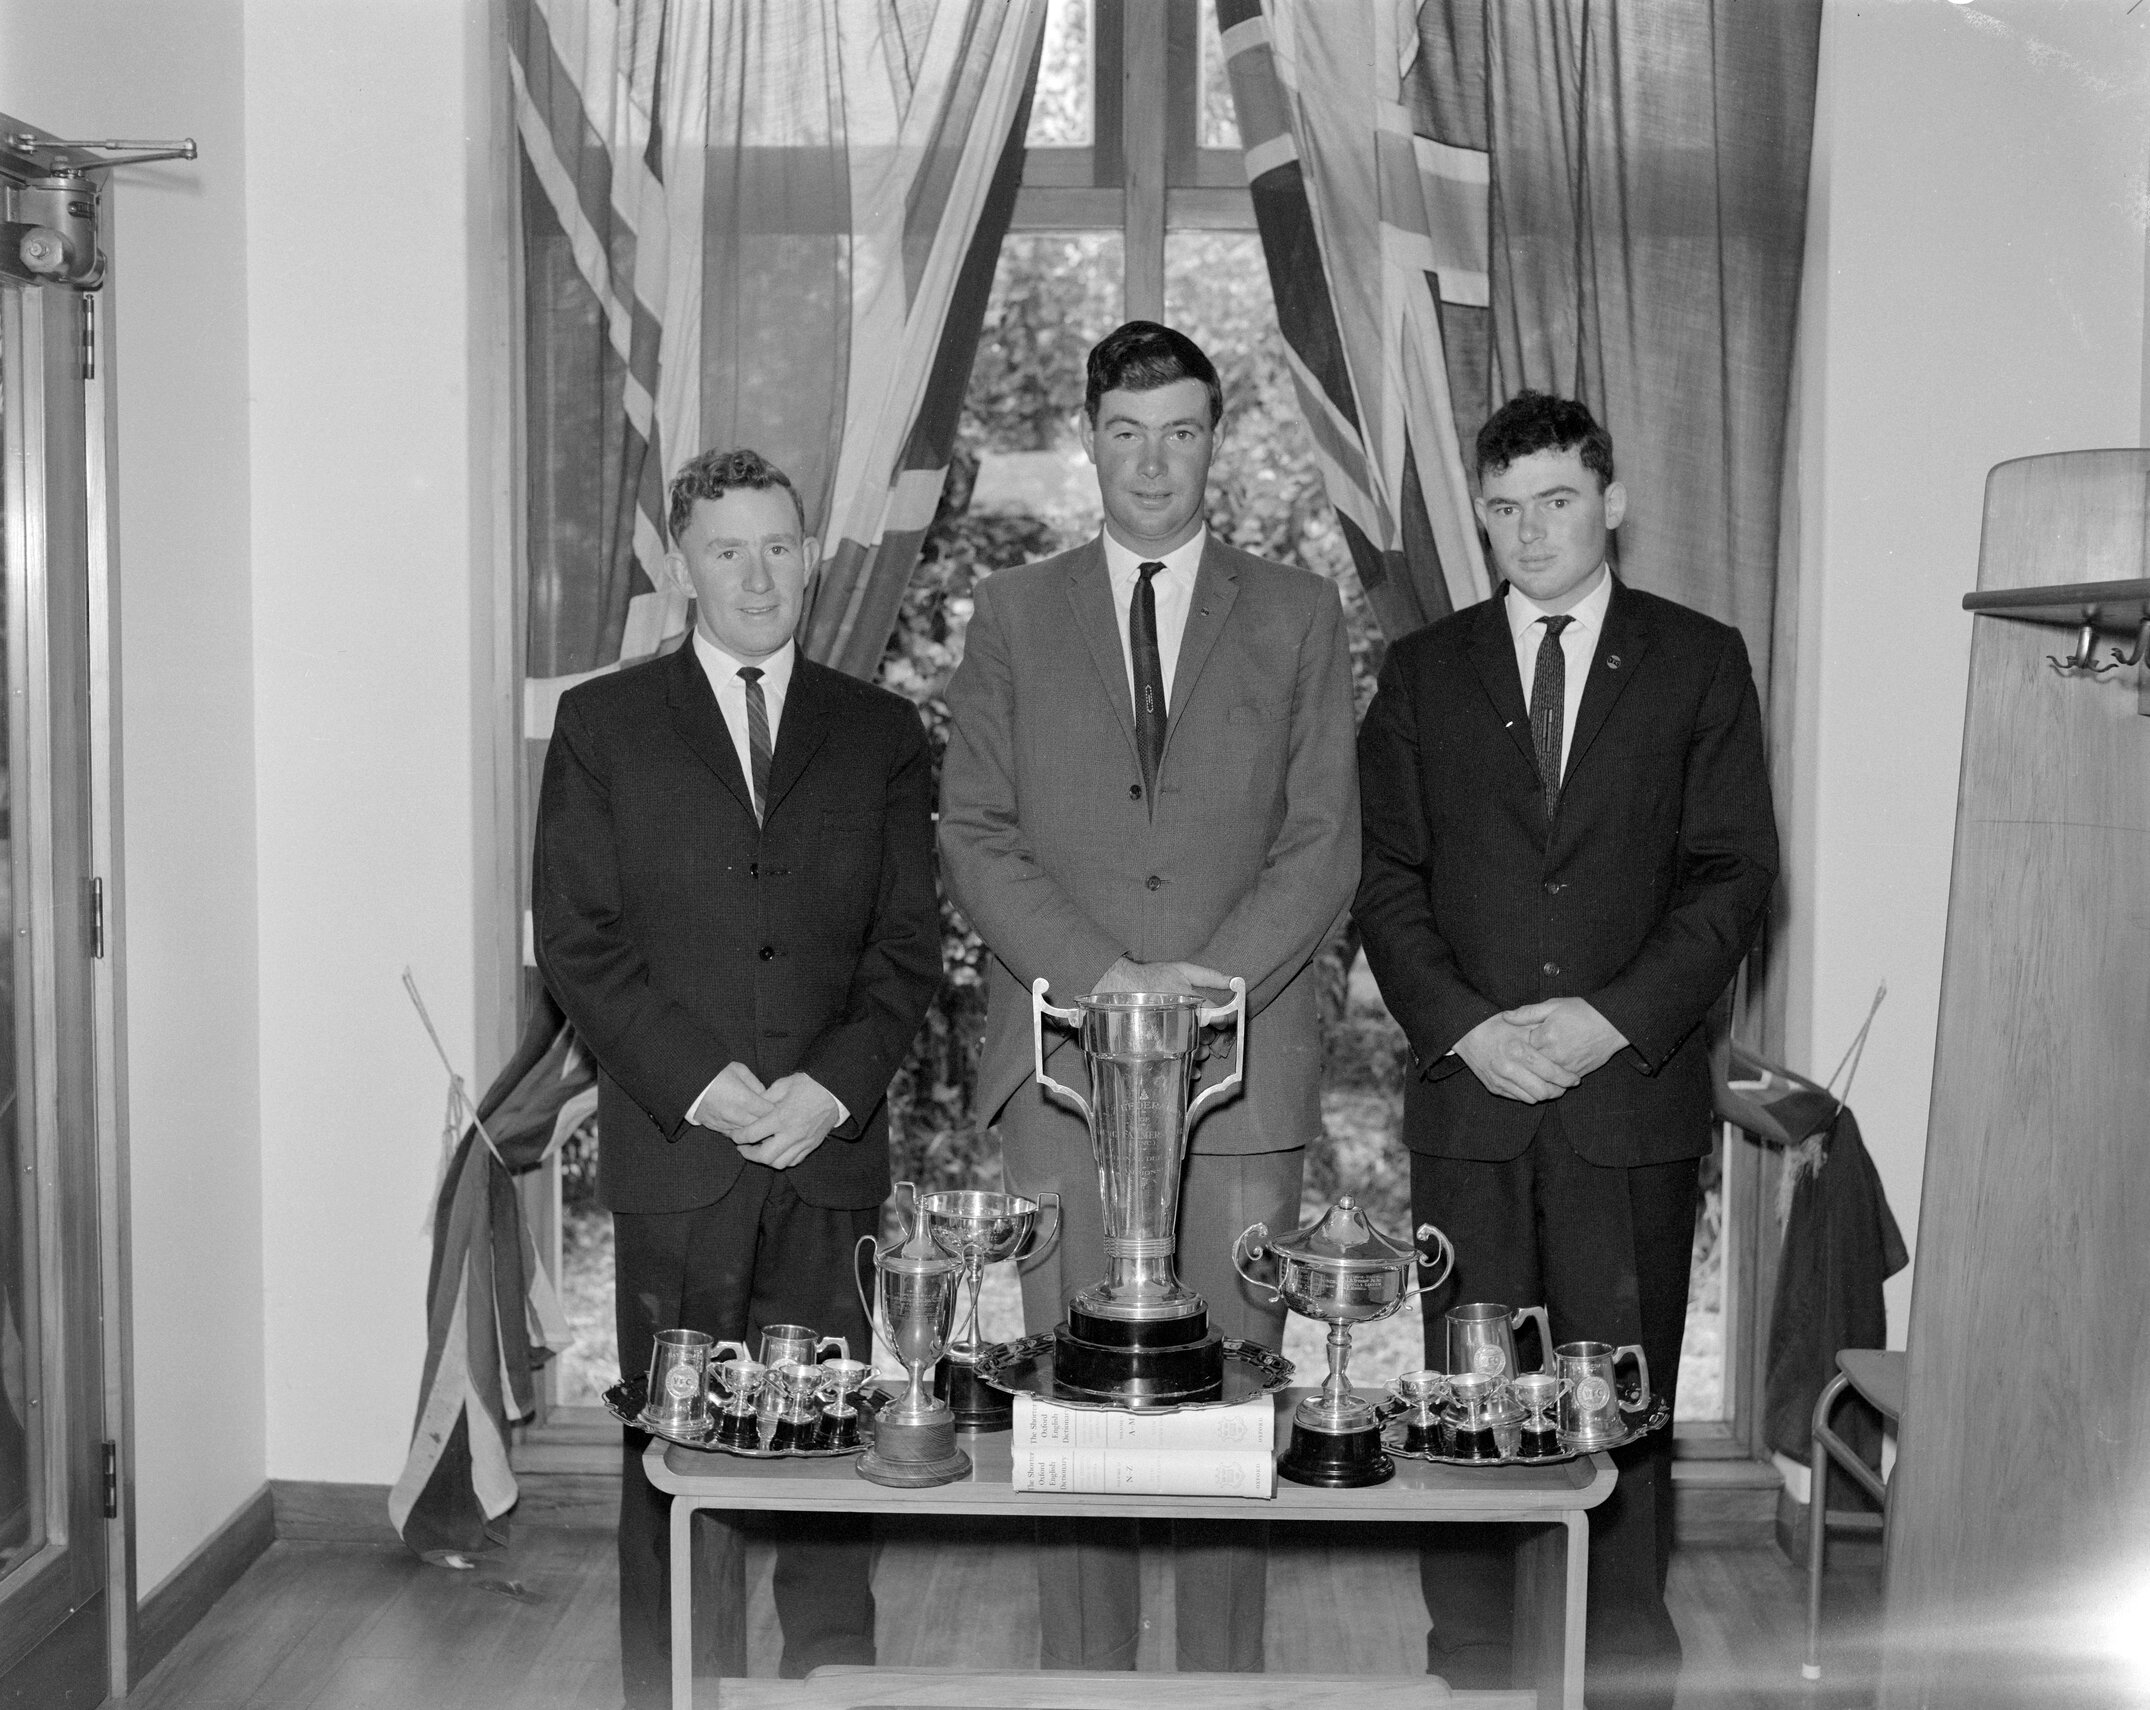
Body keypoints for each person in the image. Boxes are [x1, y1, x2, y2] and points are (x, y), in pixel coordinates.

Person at [939, 321, 1359, 1673]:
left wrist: (1206, 987)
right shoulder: (1011, 613)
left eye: (1181, 431)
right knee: (1069, 1421)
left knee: (1232, 1419)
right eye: (1125, 433)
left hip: (1239, 1080)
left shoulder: (1294, 614)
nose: (1153, 462)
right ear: (1089, 442)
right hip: (1064, 1070)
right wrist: (1105, 979)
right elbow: (973, 831)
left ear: (1215, 441)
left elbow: (1320, 841)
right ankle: (1082, 1688)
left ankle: (1224, 1688)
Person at [1353, 392, 1778, 1708]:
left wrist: (1604, 1018)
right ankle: (1472, 1666)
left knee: (1622, 1406)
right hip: (1470, 1104)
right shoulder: (1425, 670)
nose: (1527, 531)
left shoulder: (1697, 661)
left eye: (1552, 501)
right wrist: (1470, 1028)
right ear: (1476, 516)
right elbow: (1383, 880)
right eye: (1501, 507)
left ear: (1611, 503)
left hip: (1623, 1104)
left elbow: (1732, 877)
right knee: (1466, 1403)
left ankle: (1624, 1669)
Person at [533, 448, 940, 1709]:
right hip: (680, 1153)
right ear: (680, 565)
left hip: (828, 1153)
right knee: (672, 1453)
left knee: (828, 1442)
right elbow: (578, 942)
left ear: (811, 557)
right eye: (727, 550)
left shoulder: (877, 731)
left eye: (779, 547)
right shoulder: (604, 725)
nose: (757, 576)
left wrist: (826, 1092)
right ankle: (668, 1688)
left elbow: (906, 946)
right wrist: (709, 1087)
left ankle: (831, 1681)